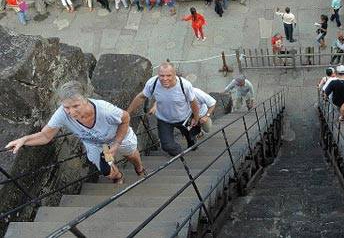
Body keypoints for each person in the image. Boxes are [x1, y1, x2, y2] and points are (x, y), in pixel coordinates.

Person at [6, 81, 145, 183]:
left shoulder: (104, 109)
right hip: (97, 145)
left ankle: (139, 168)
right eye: (66, 107)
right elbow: (45, 135)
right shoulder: (62, 114)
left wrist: (116, 144)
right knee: (107, 171)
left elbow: (125, 118)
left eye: (76, 106)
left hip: (117, 136)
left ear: (85, 99)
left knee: (131, 154)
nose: (71, 112)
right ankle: (118, 176)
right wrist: (24, 140)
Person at [127, 62, 201, 156]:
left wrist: (196, 117)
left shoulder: (185, 85)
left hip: (184, 117)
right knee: (167, 146)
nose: (165, 79)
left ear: (175, 75)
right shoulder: (152, 83)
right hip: (164, 119)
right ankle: (180, 154)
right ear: (158, 75)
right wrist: (127, 113)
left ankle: (191, 141)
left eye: (168, 75)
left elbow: (193, 102)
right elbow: (141, 97)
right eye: (161, 76)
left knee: (190, 137)